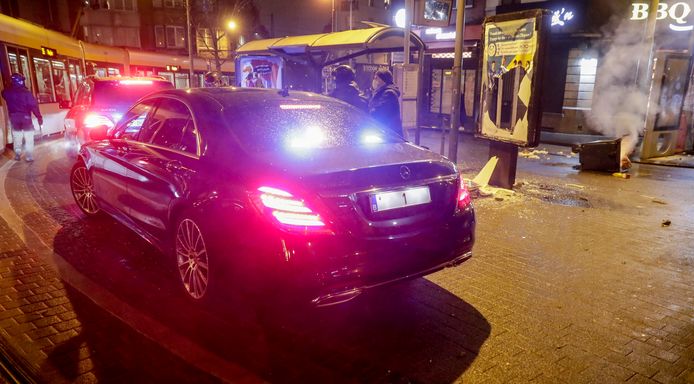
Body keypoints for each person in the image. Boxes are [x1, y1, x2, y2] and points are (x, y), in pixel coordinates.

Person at [1, 73, 42, 162]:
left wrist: (10, 86)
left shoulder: (7, 92)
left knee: (17, 137)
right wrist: (39, 117)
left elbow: (3, 92)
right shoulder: (26, 93)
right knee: (28, 137)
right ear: (20, 81)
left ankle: (17, 154)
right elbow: (34, 106)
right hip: (26, 118)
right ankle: (29, 156)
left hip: (14, 118)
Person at [368, 68, 403, 137]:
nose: (374, 80)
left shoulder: (389, 93)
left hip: (389, 132)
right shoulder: (379, 92)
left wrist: (367, 113)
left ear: (383, 80)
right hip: (382, 130)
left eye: (376, 78)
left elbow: (380, 112)